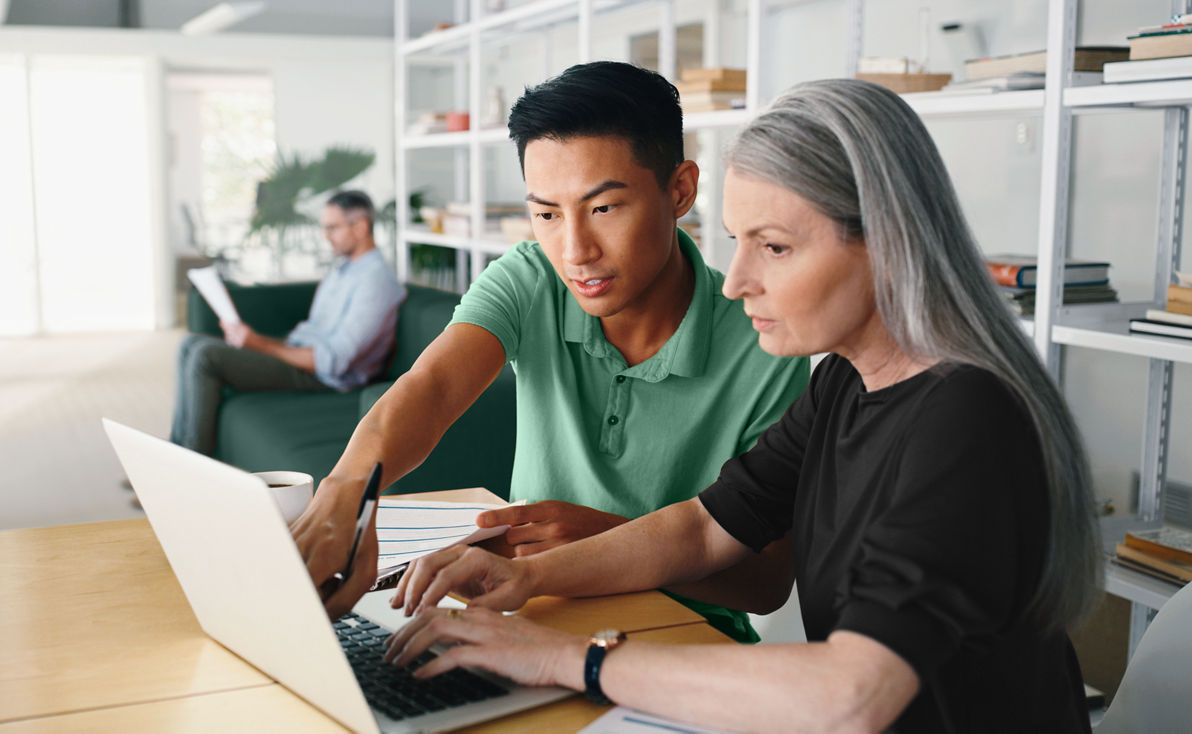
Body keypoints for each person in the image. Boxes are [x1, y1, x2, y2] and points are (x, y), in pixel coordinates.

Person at [381, 78, 1102, 733]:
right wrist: (529, 579)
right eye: (737, 243)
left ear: (888, 243)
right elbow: (704, 528)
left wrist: (568, 659)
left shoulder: (965, 418)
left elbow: (854, 694)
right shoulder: (847, 383)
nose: (736, 283)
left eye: (776, 248)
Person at [291, 61, 810, 642]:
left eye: (604, 208)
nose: (574, 251)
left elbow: (766, 584)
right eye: (546, 214)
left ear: (681, 190)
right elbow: (432, 389)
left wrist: (605, 538)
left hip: (684, 637)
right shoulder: (532, 276)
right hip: (524, 614)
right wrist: (345, 492)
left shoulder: (765, 342)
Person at [170, 190, 404, 456]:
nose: (325, 236)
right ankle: (173, 456)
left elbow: (334, 360)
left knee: (206, 357)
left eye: (333, 228)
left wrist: (258, 344)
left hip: (323, 377)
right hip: (300, 355)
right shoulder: (343, 269)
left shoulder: (375, 281)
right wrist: (258, 341)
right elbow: (313, 332)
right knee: (190, 342)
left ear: (360, 226)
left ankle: (190, 466)